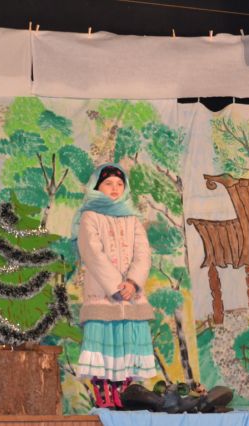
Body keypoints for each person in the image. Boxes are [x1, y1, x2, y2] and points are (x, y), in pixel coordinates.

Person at [75, 163, 156, 409]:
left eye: (119, 184)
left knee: (127, 351)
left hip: (131, 298)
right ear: (97, 186)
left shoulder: (132, 219)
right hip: (104, 296)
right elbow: (92, 253)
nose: (114, 188)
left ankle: (124, 400)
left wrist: (132, 283)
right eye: (108, 183)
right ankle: (105, 400)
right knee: (103, 351)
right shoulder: (89, 216)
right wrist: (116, 286)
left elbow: (143, 254)